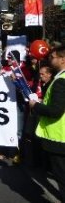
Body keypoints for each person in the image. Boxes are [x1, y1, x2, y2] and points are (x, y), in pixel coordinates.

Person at [29, 46, 65, 201]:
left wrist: (35, 106)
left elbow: (56, 111)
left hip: (59, 137)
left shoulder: (60, 81)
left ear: (63, 59)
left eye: (53, 57)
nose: (50, 60)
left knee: (62, 176)